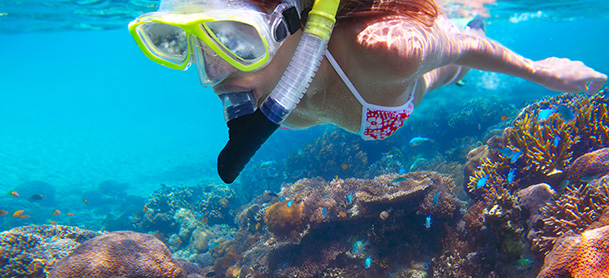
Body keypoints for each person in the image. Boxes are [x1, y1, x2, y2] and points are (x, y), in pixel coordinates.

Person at [129, 0, 607, 182]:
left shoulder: (383, 49)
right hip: (373, 106)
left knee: (449, 67)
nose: (214, 72)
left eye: (236, 39)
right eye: (183, 44)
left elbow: (470, 45)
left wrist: (541, 72)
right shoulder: (259, 95)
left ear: (292, 23)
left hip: (391, 90)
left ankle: (474, 10)